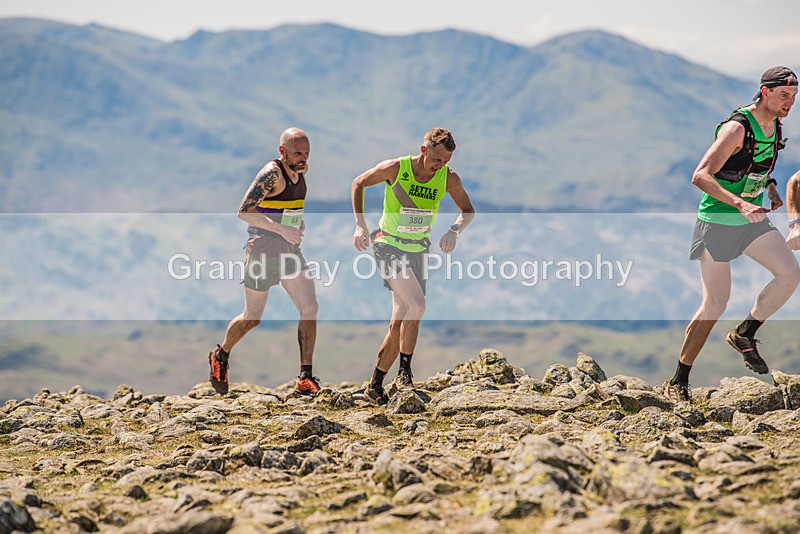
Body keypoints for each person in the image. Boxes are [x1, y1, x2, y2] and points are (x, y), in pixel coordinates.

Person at [664, 67, 800, 403]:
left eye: (794, 97)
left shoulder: (775, 125)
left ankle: (745, 333)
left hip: (750, 220)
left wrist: (768, 187)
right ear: (764, 91)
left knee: (790, 274)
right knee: (715, 303)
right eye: (784, 95)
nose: (790, 103)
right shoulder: (737, 127)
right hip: (718, 221)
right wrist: (740, 202)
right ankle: (679, 379)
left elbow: (754, 165)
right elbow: (701, 175)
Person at [351, 128, 475, 405]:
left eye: (445, 161)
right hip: (388, 245)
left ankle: (375, 385)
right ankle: (405, 373)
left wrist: (454, 231)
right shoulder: (396, 168)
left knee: (400, 320)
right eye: (436, 160)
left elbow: (468, 211)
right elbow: (358, 182)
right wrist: (361, 225)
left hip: (418, 250)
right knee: (417, 306)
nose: (439, 166)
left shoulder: (448, 178)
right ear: (423, 150)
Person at [208, 127, 321, 396]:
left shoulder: (300, 171)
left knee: (310, 307)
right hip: (262, 250)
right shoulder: (271, 173)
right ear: (282, 151)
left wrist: (295, 222)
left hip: (290, 250)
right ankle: (220, 355)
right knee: (252, 317)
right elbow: (244, 212)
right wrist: (282, 229)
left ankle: (305, 376)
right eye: (297, 153)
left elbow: (285, 205)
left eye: (306, 153)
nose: (303, 158)